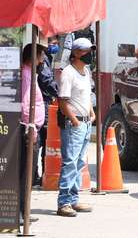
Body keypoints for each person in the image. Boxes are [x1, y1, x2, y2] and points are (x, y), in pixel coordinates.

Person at [57, 38, 96, 216]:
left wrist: (91, 112)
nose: (90, 54)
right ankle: (64, 202)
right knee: (70, 162)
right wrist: (74, 120)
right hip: (75, 124)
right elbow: (63, 101)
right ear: (78, 53)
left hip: (85, 122)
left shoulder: (86, 71)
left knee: (79, 162)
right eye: (87, 51)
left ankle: (73, 199)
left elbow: (86, 95)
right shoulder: (68, 73)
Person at [20, 43, 46, 224]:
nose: (43, 59)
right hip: (29, 129)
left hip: (33, 128)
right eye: (41, 55)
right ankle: (21, 212)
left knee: (28, 172)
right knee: (25, 172)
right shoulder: (26, 75)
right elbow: (24, 104)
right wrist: (30, 126)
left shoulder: (31, 74)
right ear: (34, 56)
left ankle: (24, 209)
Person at [35, 37, 59, 186]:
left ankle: (42, 174)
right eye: (53, 44)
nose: (55, 46)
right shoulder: (42, 59)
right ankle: (41, 175)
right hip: (42, 103)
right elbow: (46, 81)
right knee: (43, 140)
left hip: (43, 102)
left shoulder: (46, 58)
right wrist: (60, 92)